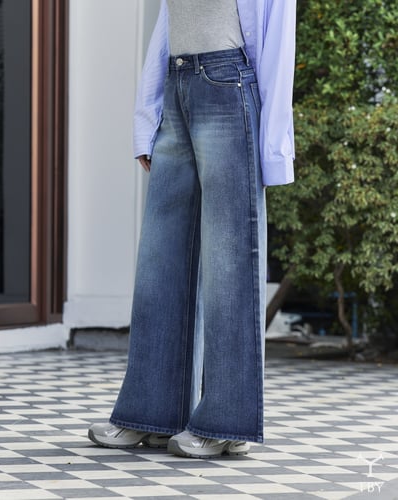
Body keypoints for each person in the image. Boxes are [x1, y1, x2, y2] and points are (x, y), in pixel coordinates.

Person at [88, 0, 296, 459]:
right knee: (159, 262)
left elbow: (279, 36)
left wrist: (274, 149)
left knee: (229, 264)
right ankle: (151, 414)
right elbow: (170, 20)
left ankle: (226, 423)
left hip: (229, 86)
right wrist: (147, 118)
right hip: (177, 84)